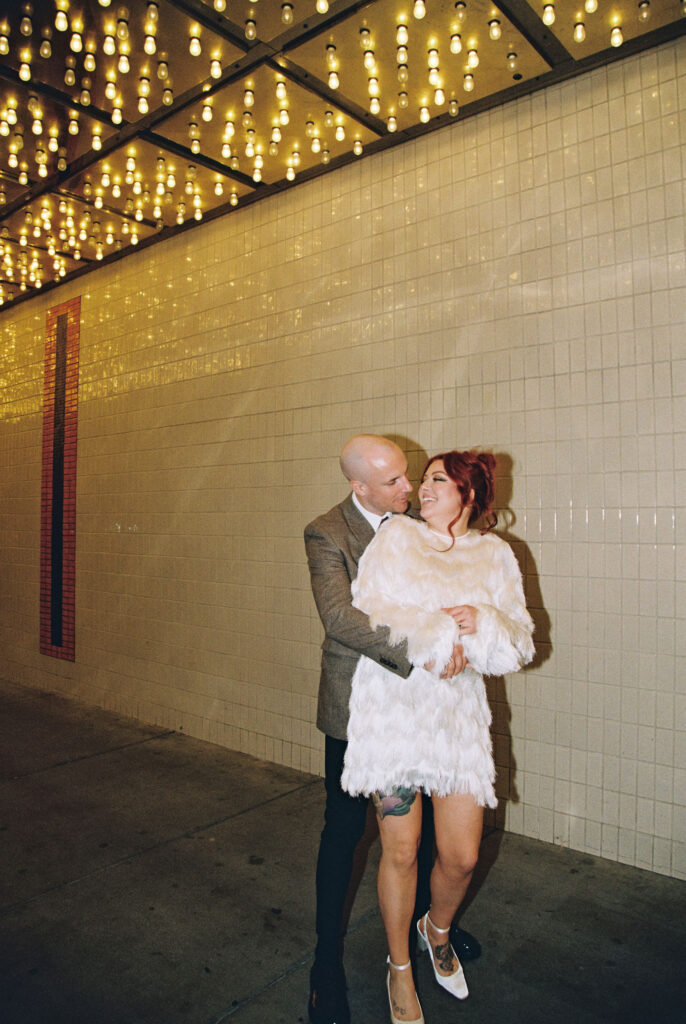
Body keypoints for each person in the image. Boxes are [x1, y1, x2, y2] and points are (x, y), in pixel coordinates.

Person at [341, 450, 535, 1024]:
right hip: (394, 714)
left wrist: (484, 621)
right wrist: (433, 640)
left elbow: (520, 643)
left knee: (461, 856)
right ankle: (400, 967)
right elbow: (369, 609)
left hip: (455, 721)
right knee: (400, 850)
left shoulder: (496, 555)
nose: (423, 489)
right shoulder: (396, 539)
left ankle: (437, 929)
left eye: (437, 481)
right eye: (423, 480)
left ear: (469, 495)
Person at [304, 436, 479, 1024]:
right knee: (345, 830)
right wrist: (422, 649)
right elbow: (339, 618)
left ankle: (433, 929)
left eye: (410, 478)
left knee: (421, 835)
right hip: (355, 704)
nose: (409, 490)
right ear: (360, 488)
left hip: (415, 708)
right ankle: (325, 965)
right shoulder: (328, 532)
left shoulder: (415, 525)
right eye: (395, 483)